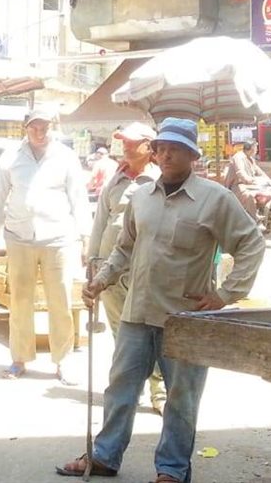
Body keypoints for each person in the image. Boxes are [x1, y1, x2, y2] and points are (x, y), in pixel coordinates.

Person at [57, 118, 267, 483]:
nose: (166, 155)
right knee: (120, 388)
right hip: (138, 312)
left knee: (181, 398)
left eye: (175, 149)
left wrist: (225, 294)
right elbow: (125, 247)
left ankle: (171, 470)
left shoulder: (215, 198)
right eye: (161, 148)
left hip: (184, 318)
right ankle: (104, 456)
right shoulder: (141, 197)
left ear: (192, 155)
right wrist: (102, 279)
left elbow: (251, 243)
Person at [0, 107, 90, 384]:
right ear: (26, 127)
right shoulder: (11, 157)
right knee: (20, 301)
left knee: (61, 300)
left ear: (52, 127)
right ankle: (19, 358)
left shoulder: (65, 156)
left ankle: (63, 359)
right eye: (34, 127)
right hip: (19, 236)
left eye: (45, 127)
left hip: (59, 237)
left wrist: (86, 240)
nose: (40, 132)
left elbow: (79, 199)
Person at [87, 122, 166, 414]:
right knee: (121, 333)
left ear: (149, 146)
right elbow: (100, 221)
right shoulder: (116, 178)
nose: (126, 147)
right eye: (124, 142)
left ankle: (159, 391)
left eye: (133, 143)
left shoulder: (159, 178)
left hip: (146, 268)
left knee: (151, 330)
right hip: (110, 266)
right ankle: (129, 389)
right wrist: (93, 260)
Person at [223, 140, 270, 220]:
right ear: (250, 148)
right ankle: (254, 220)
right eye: (256, 147)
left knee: (266, 192)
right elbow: (240, 172)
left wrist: (270, 181)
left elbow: (260, 172)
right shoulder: (239, 157)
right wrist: (249, 180)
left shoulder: (251, 159)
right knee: (249, 196)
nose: (257, 150)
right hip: (236, 186)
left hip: (249, 185)